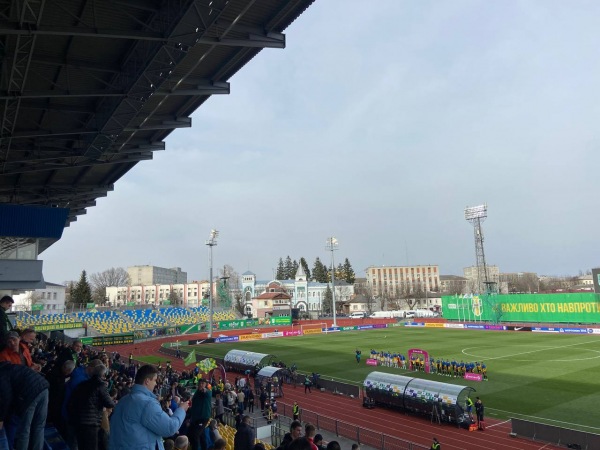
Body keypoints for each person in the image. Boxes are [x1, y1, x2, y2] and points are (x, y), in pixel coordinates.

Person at [108, 364, 189, 450]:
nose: (155, 383)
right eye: (154, 380)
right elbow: (170, 428)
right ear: (147, 381)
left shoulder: (123, 400)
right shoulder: (147, 404)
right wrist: (182, 409)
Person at [0, 361, 49, 450]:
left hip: (30, 394)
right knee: (39, 426)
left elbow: (6, 397)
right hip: (44, 388)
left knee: (25, 429)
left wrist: (1, 418)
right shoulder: (13, 366)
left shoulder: (2, 375)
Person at [68, 363, 115, 450]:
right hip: (91, 424)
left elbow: (72, 402)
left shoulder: (82, 384)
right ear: (103, 375)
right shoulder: (100, 385)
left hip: (78, 421)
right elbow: (109, 403)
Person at [188, 378, 212, 450]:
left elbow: (207, 393)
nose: (201, 385)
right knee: (201, 435)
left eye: (203, 383)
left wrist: (204, 390)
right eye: (200, 383)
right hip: (196, 417)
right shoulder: (197, 392)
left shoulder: (207, 391)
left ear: (205, 385)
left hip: (203, 417)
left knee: (196, 435)